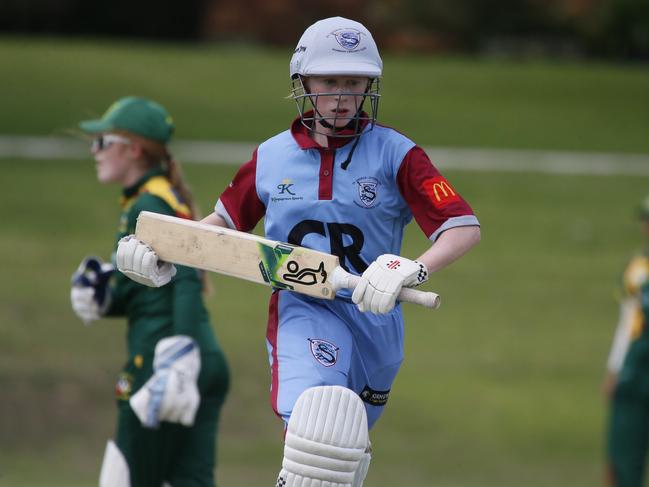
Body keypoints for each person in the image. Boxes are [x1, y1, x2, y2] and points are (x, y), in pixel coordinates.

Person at [116, 17, 480, 487]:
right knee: (315, 432)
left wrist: (412, 268)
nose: (343, 96)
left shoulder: (397, 154)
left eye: (355, 83)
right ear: (304, 82)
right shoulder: (271, 157)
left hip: (376, 315)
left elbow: (461, 226)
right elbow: (222, 226)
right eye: (330, 82)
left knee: (346, 456)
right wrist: (162, 248)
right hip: (302, 307)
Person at [70, 96, 230, 487]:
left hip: (166, 358)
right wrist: (106, 295)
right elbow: (149, 288)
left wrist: (180, 355)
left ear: (134, 149)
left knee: (123, 477)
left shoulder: (151, 201)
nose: (95, 151)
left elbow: (188, 272)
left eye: (103, 142)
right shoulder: (147, 198)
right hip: (187, 354)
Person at [605, 197, 649, 487]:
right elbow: (628, 321)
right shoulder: (637, 270)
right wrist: (614, 367)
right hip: (636, 371)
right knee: (621, 462)